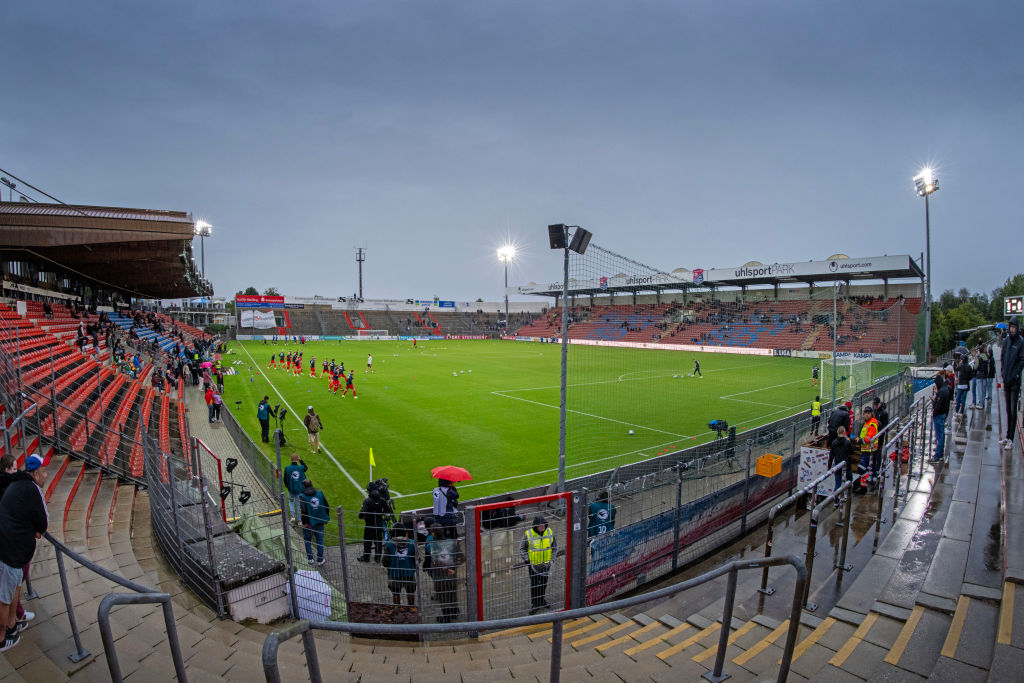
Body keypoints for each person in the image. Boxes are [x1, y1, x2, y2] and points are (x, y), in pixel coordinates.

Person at [0, 454, 49, 652]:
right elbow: (43, 524)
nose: (47, 474)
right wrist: (35, 529)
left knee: (11, 590)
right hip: (10, 550)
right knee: (4, 597)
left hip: (11, 548)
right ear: (36, 474)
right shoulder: (30, 489)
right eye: (44, 471)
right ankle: (1, 639)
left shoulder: (20, 485)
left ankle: (11, 626)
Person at [520, 515, 556, 615]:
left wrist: (552, 560)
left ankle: (542, 600)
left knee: (544, 583)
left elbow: (554, 547)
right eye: (540, 525)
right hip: (533, 566)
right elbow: (522, 549)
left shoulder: (549, 532)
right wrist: (527, 560)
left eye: (544, 524)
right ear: (535, 526)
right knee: (535, 584)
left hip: (546, 565)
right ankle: (535, 604)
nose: (542, 526)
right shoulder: (528, 534)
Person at [427, 523, 461, 622]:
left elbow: (434, 562)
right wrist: (453, 568)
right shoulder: (452, 542)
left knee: (443, 596)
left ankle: (446, 618)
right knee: (452, 593)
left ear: (433, 534)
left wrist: (446, 569)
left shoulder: (431, 545)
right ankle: (454, 612)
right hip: (452, 575)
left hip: (440, 576)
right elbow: (461, 558)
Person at [1003, 317, 1024, 450]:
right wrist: (1003, 373)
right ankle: (1007, 435)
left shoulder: (1021, 342)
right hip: (1006, 380)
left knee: (1012, 410)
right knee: (1007, 410)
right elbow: (1003, 357)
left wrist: (1015, 375)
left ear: (1017, 327)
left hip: (1015, 382)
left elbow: (1022, 361)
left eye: (1014, 327)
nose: (1012, 329)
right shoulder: (1007, 340)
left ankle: (1011, 438)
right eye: (1010, 327)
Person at [383, 526, 417, 606]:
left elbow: (385, 561)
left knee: (395, 593)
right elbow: (417, 559)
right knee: (411, 592)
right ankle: (411, 608)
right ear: (405, 533)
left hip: (394, 573)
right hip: (409, 573)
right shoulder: (412, 543)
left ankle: (397, 609)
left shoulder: (389, 544)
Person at [357, 482, 390, 562]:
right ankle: (378, 558)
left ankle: (366, 557)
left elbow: (361, 515)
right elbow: (387, 510)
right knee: (378, 541)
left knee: (367, 542)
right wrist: (379, 514)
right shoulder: (382, 500)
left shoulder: (367, 501)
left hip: (369, 525)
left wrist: (365, 516)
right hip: (378, 525)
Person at [299, 479, 329, 566]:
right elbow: (327, 506)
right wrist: (325, 518)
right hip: (320, 522)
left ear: (303, 486)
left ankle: (310, 559)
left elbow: (303, 511)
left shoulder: (303, 496)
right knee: (320, 541)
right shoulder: (320, 493)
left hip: (309, 523)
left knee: (308, 540)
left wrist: (304, 522)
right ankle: (320, 560)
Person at [829, 425, 853, 505]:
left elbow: (831, 455)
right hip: (846, 465)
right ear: (844, 432)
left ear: (837, 433)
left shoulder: (834, 442)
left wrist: (829, 467)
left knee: (838, 483)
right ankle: (845, 495)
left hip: (837, 465)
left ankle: (836, 501)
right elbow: (851, 452)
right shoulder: (847, 442)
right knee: (848, 480)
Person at [932, 371, 952, 462]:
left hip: (939, 415)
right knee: (941, 435)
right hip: (943, 414)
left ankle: (938, 456)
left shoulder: (941, 391)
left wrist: (934, 413)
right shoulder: (946, 389)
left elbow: (938, 405)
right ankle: (940, 452)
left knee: (939, 435)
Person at [858, 406, 880, 482]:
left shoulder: (872, 424)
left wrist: (860, 441)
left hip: (869, 450)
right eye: (865, 413)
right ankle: (869, 482)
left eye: (868, 413)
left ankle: (868, 480)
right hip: (867, 450)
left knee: (861, 468)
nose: (867, 415)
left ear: (871, 414)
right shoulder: (867, 423)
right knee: (870, 467)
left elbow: (869, 438)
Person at [283, 454, 308, 522]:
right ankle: (299, 520)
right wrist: (301, 460)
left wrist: (288, 487)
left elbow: (285, 480)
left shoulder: (287, 468)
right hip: (300, 489)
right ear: (297, 459)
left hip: (291, 489)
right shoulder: (301, 467)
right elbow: (306, 467)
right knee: (299, 504)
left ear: (290, 459)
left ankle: (293, 517)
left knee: (291, 502)